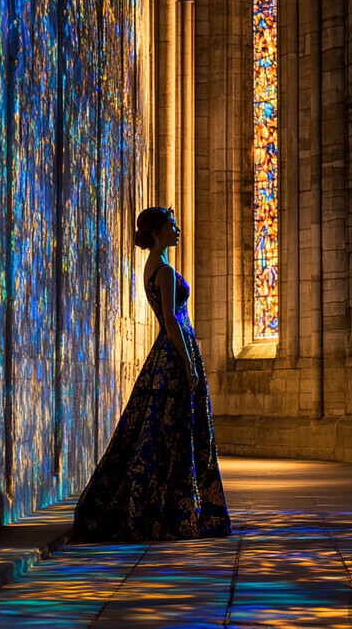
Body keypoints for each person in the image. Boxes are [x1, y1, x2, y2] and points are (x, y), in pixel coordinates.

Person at [73, 207, 232, 541]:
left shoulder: (153, 266)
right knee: (175, 430)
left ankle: (176, 506)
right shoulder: (162, 270)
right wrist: (188, 361)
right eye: (171, 226)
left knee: (167, 429)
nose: (177, 230)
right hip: (174, 354)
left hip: (168, 353)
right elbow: (172, 320)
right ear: (158, 232)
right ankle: (171, 511)